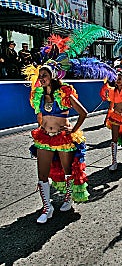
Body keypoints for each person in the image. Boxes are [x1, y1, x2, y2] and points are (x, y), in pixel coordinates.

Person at [29, 65, 89, 223]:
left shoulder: (64, 93)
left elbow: (83, 113)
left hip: (63, 138)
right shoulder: (39, 95)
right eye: (39, 75)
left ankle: (68, 198)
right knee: (42, 174)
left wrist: (73, 129)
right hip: (45, 138)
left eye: (45, 75)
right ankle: (47, 208)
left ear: (53, 76)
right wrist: (41, 127)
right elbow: (40, 116)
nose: (41, 78)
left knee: (67, 171)